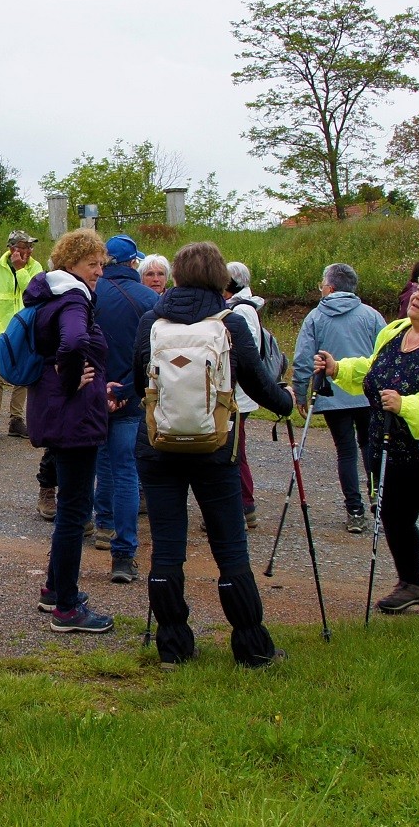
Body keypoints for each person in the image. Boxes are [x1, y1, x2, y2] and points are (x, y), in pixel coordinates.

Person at [133, 242, 295, 668]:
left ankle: (173, 646)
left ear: (178, 277)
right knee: (229, 546)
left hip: (158, 444)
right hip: (215, 447)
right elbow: (260, 384)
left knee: (166, 546)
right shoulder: (230, 323)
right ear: (221, 277)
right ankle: (252, 646)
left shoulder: (152, 321)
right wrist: (288, 401)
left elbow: (138, 383)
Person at [317, 266, 419, 618]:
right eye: (418, 289)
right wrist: (338, 368)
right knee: (394, 518)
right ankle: (412, 583)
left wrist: (407, 404)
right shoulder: (395, 330)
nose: (417, 296)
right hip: (385, 447)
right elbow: (372, 369)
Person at [24, 229, 114, 633]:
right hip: (75, 420)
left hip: (60, 414)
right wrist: (73, 379)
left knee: (69, 509)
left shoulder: (52, 295)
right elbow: (75, 342)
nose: (98, 271)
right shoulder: (74, 297)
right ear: (71, 264)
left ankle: (54, 590)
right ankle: (66, 608)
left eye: (101, 264)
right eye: (91, 264)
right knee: (75, 512)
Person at [292, 263, 386, 533]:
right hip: (368, 394)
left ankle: (354, 511)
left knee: (346, 451)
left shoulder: (315, 318)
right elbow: (385, 353)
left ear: (330, 288)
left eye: (322, 283)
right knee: (371, 446)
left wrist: (300, 392)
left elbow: (302, 359)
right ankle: (377, 500)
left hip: (332, 395)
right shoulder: (372, 316)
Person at [91, 234, 158, 582]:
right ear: (134, 263)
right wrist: (128, 391)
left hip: (93, 392)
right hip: (130, 395)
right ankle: (124, 552)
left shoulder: (88, 294)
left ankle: (102, 523)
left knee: (99, 459)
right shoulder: (151, 299)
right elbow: (153, 357)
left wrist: (101, 390)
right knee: (126, 468)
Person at [0, 230, 43, 440]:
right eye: (23, 247)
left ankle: (16, 420)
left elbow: (33, 293)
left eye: (30, 247)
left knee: (23, 377)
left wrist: (21, 269)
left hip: (26, 331)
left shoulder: (35, 268)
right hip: (2, 333)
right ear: (11, 249)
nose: (28, 251)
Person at [225, 260, 267, 527]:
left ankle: (244, 506)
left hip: (238, 395)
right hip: (239, 394)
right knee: (233, 449)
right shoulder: (242, 307)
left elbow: (244, 353)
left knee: (233, 451)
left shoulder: (241, 310)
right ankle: (242, 506)